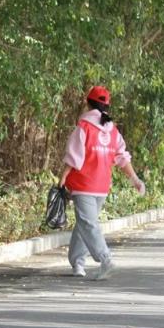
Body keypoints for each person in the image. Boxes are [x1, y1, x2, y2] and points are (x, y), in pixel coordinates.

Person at [59, 86, 146, 280]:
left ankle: (105, 258)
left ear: (87, 103)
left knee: (88, 223)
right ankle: (78, 263)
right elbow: (122, 158)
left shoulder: (84, 128)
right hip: (101, 186)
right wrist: (135, 179)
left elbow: (73, 157)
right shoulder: (113, 131)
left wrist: (63, 177)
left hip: (83, 184)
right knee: (86, 223)